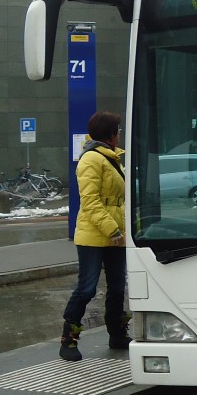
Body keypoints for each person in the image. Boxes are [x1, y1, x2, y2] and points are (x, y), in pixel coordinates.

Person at [59, 110, 129, 362]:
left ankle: (117, 334)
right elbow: (89, 202)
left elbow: (120, 201)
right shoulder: (90, 159)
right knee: (87, 288)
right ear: (109, 134)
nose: (120, 134)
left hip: (116, 235)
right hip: (94, 235)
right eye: (118, 130)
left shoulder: (113, 158)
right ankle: (68, 340)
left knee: (117, 287)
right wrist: (112, 229)